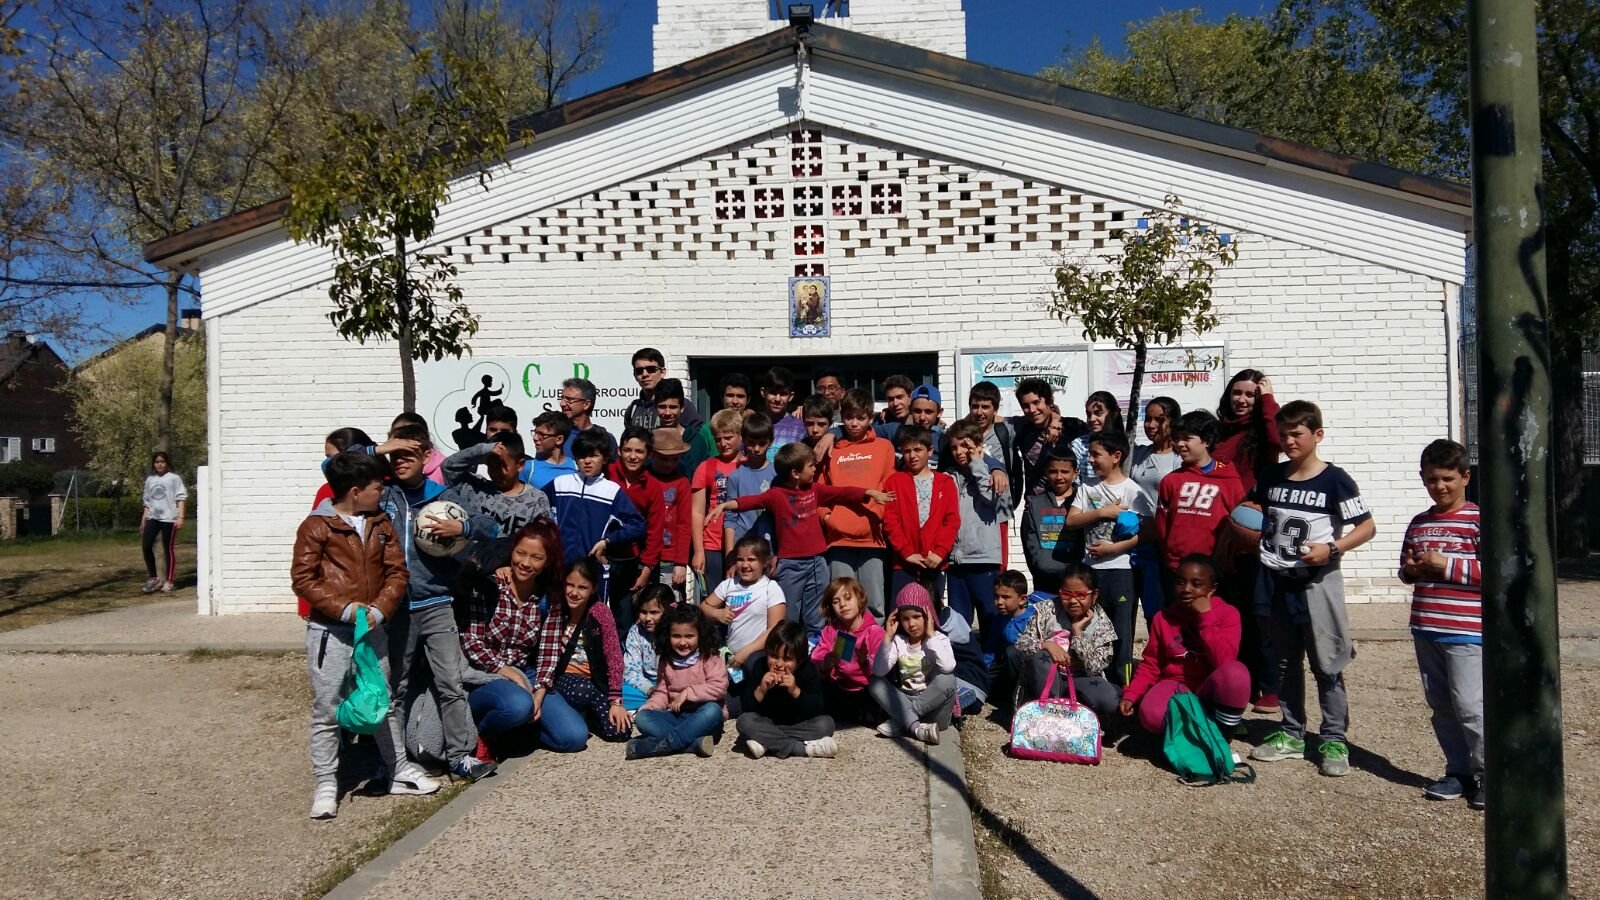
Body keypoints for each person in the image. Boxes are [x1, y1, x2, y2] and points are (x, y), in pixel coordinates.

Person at [292, 451, 436, 819]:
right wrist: (344, 609)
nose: (381, 493)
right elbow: (304, 579)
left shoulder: (379, 522)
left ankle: (398, 768)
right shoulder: (316, 526)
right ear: (355, 492)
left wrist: (379, 609)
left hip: (372, 629)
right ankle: (327, 782)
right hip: (331, 632)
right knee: (328, 707)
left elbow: (397, 572)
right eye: (376, 488)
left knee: (381, 700)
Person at [1248, 400, 1375, 777]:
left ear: (1317, 435)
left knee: (1327, 661)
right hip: (1277, 579)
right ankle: (1292, 732)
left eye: (1297, 434)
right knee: (1285, 661)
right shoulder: (1272, 476)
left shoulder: (1335, 480)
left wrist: (1333, 548)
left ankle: (1334, 737)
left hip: (1317, 581)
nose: (1289, 441)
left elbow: (1367, 527)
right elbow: (1253, 510)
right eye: (1283, 435)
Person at [378, 424, 499, 783]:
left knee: (451, 684)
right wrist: (381, 448)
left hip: (437, 604)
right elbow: (334, 466)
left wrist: (461, 529)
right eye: (394, 455)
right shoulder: (384, 495)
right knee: (395, 689)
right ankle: (394, 763)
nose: (400, 461)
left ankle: (460, 757)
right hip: (397, 609)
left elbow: (489, 527)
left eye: (408, 454)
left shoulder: (442, 495)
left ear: (426, 456)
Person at [717, 444, 892, 642]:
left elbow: (841, 493)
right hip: (790, 566)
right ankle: (787, 651)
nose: (815, 469)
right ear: (795, 473)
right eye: (811, 466)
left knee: (817, 616)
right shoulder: (776, 495)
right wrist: (725, 505)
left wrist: (868, 492)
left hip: (817, 562)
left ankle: (813, 649)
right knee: (788, 615)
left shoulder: (814, 490)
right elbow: (752, 501)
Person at [1399, 439, 1484, 809]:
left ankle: (1487, 773)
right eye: (1432, 479)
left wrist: (1445, 565)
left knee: (1470, 706)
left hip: (1467, 631)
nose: (1440, 487)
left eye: (1448, 479)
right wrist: (1411, 570)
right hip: (1426, 626)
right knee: (1441, 705)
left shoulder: (1479, 520)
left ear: (1465, 477)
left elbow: (1497, 572)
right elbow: (1404, 569)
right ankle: (1458, 771)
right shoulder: (1420, 523)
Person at [1119, 555, 1250, 739]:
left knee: (1236, 673)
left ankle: (1221, 736)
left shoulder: (1227, 614)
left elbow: (1225, 662)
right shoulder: (1163, 617)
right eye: (1180, 582)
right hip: (1175, 684)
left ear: (1212, 589)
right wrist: (1131, 694)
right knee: (1152, 717)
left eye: (1196, 584)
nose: (1186, 589)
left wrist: (1205, 617)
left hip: (1210, 687)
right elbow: (1151, 664)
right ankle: (1195, 727)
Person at [460, 520, 561, 753]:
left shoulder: (547, 598)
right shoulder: (489, 587)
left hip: (524, 669)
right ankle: (478, 735)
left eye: (536, 557)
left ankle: (513, 729)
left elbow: (549, 650)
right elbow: (472, 642)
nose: (525, 563)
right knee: (518, 706)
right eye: (520, 553)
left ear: (547, 562)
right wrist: (510, 674)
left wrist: (539, 694)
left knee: (571, 737)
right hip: (484, 673)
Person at [1065, 430, 1151, 686]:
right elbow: (1071, 521)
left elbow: (1147, 533)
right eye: (1089, 454)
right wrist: (1104, 512)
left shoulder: (1132, 490)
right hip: (1090, 571)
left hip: (1120, 571)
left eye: (1096, 454)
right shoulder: (1087, 487)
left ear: (1116, 456)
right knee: (1090, 625)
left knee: (1121, 629)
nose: (1090, 460)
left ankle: (1123, 685)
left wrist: (1114, 549)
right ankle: (1092, 680)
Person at [530, 557, 631, 751]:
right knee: (581, 690)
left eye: (582, 587)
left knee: (619, 731)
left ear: (593, 589)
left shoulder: (600, 612)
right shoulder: (555, 608)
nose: (574, 593)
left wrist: (616, 701)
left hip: (594, 683)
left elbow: (614, 657)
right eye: (570, 585)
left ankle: (588, 717)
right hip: (561, 680)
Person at [542, 429, 647, 603]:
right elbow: (536, 507)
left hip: (593, 571)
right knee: (555, 612)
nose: (587, 461)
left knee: (593, 616)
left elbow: (637, 525)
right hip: (559, 567)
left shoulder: (611, 491)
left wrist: (607, 541)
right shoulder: (560, 483)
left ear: (605, 459)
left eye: (594, 456)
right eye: (582, 456)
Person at [1155, 411, 1245, 607]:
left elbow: (1237, 523)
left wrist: (1224, 558)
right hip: (1177, 569)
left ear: (1207, 441)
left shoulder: (1229, 480)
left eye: (1187, 438)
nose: (1180, 444)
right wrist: (1170, 558)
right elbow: (1162, 526)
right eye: (1177, 439)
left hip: (1215, 569)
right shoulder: (1170, 481)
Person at [1008, 564, 1121, 721]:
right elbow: (1021, 644)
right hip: (1046, 679)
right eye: (1066, 594)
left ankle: (1073, 713)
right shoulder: (1046, 610)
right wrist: (1046, 645)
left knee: (1109, 700)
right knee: (1041, 658)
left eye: (1080, 595)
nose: (1073, 601)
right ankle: (1050, 714)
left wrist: (1077, 633)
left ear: (1094, 595)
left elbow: (1095, 666)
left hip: (1080, 678)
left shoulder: (1101, 622)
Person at [821, 388, 896, 617]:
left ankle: (874, 642)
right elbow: (821, 491)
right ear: (841, 417)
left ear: (871, 418)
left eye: (860, 418)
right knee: (841, 602)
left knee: (874, 602)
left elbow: (890, 486)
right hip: (838, 537)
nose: (854, 423)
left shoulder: (883, 446)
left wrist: (880, 515)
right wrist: (827, 518)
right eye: (849, 417)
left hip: (872, 537)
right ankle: (843, 642)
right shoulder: (831, 448)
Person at [629, 603, 729, 759]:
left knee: (713, 710)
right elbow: (662, 692)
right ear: (667, 635)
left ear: (700, 635)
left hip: (703, 718)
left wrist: (688, 693)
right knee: (642, 718)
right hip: (677, 717)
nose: (682, 642)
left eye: (689, 636)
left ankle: (666, 744)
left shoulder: (709, 657)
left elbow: (719, 687)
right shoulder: (666, 660)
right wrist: (649, 706)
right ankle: (692, 744)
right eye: (676, 636)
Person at [869, 582, 956, 744]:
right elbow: (879, 671)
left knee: (948, 679)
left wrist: (931, 636)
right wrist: (887, 637)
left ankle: (904, 721)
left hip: (935, 713)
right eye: (905, 619)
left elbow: (948, 667)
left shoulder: (939, 639)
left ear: (928, 615)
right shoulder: (899, 641)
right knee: (875, 681)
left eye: (917, 617)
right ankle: (915, 727)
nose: (911, 624)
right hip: (906, 699)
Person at [945, 419, 1011, 633]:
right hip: (956, 560)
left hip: (983, 558)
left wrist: (978, 463)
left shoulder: (993, 474)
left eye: (965, 446)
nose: (958, 452)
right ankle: (964, 656)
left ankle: (991, 655)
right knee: (959, 623)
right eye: (954, 447)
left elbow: (989, 497)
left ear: (978, 447)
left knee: (990, 618)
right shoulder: (948, 477)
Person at [736, 622, 838, 759]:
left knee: (826, 724)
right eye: (773, 656)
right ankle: (802, 749)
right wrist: (761, 689)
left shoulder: (807, 670)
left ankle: (767, 742)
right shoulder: (760, 666)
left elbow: (817, 708)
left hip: (798, 724)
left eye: (787, 659)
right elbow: (747, 707)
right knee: (744, 721)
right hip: (767, 722)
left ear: (799, 661)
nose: (779, 664)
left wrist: (795, 691)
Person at [882, 424, 958, 603]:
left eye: (918, 450)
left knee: (931, 610)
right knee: (902, 609)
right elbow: (890, 521)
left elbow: (952, 520)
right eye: (907, 451)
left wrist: (940, 552)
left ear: (930, 451)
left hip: (934, 561)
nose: (912, 456)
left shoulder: (945, 482)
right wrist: (906, 552)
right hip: (904, 563)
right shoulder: (894, 482)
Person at [702, 535, 788, 684]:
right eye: (740, 559)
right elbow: (702, 607)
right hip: (732, 658)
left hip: (758, 658)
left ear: (764, 562)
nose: (744, 565)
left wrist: (747, 652)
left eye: (751, 560)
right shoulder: (729, 585)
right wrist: (717, 613)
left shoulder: (771, 588)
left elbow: (775, 630)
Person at [442, 432, 553, 540]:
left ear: (520, 464)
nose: (496, 471)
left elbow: (544, 539)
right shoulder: (475, 488)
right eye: (491, 465)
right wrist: (482, 451)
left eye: (501, 465)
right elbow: (448, 467)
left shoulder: (536, 500)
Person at [607, 426, 664, 631]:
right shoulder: (606, 474)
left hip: (631, 561)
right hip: (602, 555)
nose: (632, 456)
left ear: (648, 455)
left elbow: (655, 531)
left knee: (625, 619)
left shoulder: (653, 487)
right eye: (628, 450)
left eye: (639, 451)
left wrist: (646, 569)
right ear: (619, 450)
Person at [1130, 397, 1182, 620]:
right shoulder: (1138, 454)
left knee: (1160, 608)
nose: (1151, 425)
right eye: (1147, 419)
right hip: (1135, 542)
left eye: (1159, 419)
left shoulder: (1179, 458)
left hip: (1162, 543)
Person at [812, 577, 887, 724]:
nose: (843, 604)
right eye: (836, 601)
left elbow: (883, 669)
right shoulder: (830, 630)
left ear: (860, 599)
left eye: (848, 598)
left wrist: (865, 661)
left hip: (867, 690)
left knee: (876, 700)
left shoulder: (874, 631)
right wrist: (824, 665)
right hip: (840, 688)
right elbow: (815, 660)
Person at [1009, 377, 1087, 499]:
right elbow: (991, 418)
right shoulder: (1021, 428)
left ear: (1049, 401)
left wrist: (1056, 419)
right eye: (1025, 405)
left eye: (1036, 402)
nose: (1032, 410)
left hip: (1071, 504)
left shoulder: (1073, 427)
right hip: (1035, 504)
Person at [692, 409, 744, 584]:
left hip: (743, 544)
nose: (723, 444)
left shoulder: (748, 465)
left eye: (728, 438)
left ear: (740, 436)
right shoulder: (706, 466)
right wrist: (699, 551)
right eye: (718, 439)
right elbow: (697, 511)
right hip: (712, 544)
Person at [1020, 450, 1081, 596]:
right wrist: (1040, 565)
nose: (1059, 477)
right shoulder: (1035, 503)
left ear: (1075, 473)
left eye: (1065, 472)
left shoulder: (1082, 501)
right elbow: (1029, 540)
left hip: (1077, 579)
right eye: (1053, 471)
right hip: (1044, 580)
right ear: (1046, 472)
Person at [646, 430, 695, 601]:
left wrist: (681, 562)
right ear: (652, 455)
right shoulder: (644, 477)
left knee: (668, 603)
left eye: (675, 459)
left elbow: (684, 523)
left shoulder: (682, 482)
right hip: (645, 554)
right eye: (664, 459)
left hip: (669, 557)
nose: (669, 464)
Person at [723, 412, 775, 553]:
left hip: (770, 547)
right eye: (751, 443)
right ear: (743, 440)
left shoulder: (776, 474)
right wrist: (730, 554)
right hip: (743, 547)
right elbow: (730, 518)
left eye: (762, 443)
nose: (756, 449)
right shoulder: (736, 476)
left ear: (771, 442)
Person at [984, 569, 1036, 710]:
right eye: (996, 596)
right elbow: (990, 648)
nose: (999, 602)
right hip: (1008, 666)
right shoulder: (1000, 619)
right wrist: (984, 671)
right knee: (983, 685)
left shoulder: (1034, 618)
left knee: (1012, 651)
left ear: (1022, 599)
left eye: (1006, 597)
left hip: (1030, 667)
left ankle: (1021, 696)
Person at [139, 451, 187, 593]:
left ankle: (169, 581)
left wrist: (180, 517)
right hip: (153, 517)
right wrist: (143, 519)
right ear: (153, 464)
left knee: (168, 549)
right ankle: (153, 578)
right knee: (146, 546)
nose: (159, 464)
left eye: (162, 462)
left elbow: (180, 498)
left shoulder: (174, 478)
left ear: (167, 463)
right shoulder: (150, 480)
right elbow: (147, 502)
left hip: (169, 518)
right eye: (157, 462)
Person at [625, 348, 703, 432]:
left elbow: (697, 436)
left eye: (651, 369)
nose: (645, 374)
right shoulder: (633, 409)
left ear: (662, 372)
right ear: (634, 375)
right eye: (639, 371)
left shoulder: (680, 406)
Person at [966, 381, 1019, 505]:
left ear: (995, 409)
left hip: (1000, 508)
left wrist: (1054, 417)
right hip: (971, 508)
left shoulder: (1006, 430)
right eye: (975, 406)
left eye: (985, 407)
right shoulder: (962, 435)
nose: (979, 412)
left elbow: (1035, 418)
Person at [622, 585, 671, 711]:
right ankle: (662, 703)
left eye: (654, 612)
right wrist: (649, 689)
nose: (648, 618)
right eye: (643, 612)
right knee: (618, 693)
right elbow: (631, 670)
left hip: (672, 686)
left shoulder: (675, 631)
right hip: (645, 686)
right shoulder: (636, 632)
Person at [654, 378, 715, 476]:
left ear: (682, 408)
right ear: (655, 407)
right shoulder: (649, 440)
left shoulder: (697, 441)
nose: (667, 413)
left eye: (673, 407)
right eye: (662, 407)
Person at [1068, 391, 1125, 481]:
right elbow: (1074, 480)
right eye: (1088, 414)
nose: (1092, 419)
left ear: (1112, 413)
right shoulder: (1079, 445)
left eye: (1098, 413)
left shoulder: (1124, 443)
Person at [558, 377, 617, 461]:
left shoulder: (606, 438)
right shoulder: (557, 435)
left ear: (586, 404)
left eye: (569, 399)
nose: (562, 403)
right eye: (562, 398)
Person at [390, 412, 448, 485]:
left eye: (408, 432)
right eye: (395, 433)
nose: (399, 460)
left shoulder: (444, 471)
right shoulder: (390, 476)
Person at [523, 411, 577, 489]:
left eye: (542, 434)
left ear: (559, 439)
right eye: (535, 433)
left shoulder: (576, 467)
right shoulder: (528, 468)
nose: (535, 438)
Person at [761, 366, 805, 454]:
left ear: (791, 396)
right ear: (763, 392)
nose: (777, 399)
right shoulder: (753, 423)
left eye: (783, 394)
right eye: (773, 392)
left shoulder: (800, 428)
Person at [907, 385, 947, 467]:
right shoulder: (898, 434)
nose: (922, 417)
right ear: (910, 410)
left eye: (928, 412)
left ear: (939, 412)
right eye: (917, 411)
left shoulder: (944, 441)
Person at [873, 374, 915, 442]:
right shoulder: (880, 422)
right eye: (891, 399)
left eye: (899, 397)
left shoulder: (921, 420)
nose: (895, 403)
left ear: (910, 396)